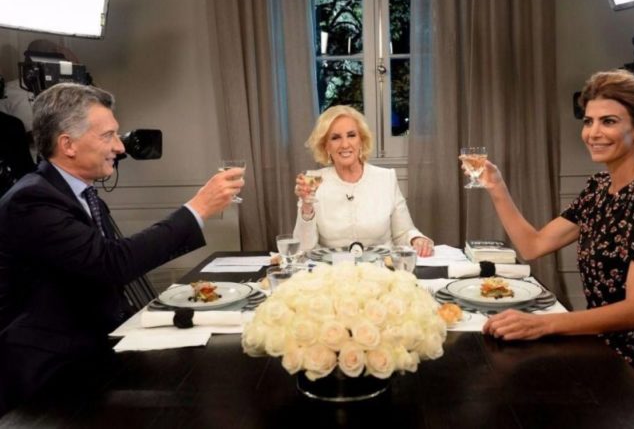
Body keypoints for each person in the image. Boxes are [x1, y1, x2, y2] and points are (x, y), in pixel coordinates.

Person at [0, 83, 245, 415]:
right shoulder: (31, 200)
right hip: (49, 372)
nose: (120, 146)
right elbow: (111, 263)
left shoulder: (81, 195)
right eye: (108, 136)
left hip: (94, 346)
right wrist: (197, 209)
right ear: (68, 144)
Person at [471, 69, 634, 414]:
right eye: (589, 121)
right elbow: (533, 245)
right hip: (600, 347)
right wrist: (496, 186)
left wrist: (541, 324)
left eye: (608, 121)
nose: (593, 133)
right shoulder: (598, 189)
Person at [293, 105, 433, 256]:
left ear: (361, 140)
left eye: (351, 135)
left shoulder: (386, 178)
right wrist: (306, 206)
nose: (345, 144)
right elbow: (304, 248)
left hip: (381, 266)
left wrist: (416, 239)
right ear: (326, 146)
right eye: (335, 138)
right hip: (333, 267)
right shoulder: (313, 181)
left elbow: (404, 232)